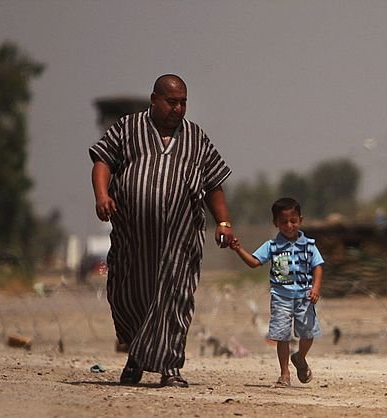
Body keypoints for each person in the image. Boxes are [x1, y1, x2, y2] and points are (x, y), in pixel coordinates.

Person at [89, 74, 234, 387]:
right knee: (128, 296)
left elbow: (213, 184)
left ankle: (170, 368)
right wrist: (102, 195)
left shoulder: (196, 138)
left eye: (183, 102)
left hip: (180, 241)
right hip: (132, 240)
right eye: (172, 102)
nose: (178, 108)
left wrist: (223, 222)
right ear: (154, 99)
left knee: (174, 298)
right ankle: (136, 357)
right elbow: (102, 160)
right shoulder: (128, 129)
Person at [230, 197, 324, 387]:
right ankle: (284, 374)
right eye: (283, 222)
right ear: (276, 223)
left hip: (305, 297)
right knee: (282, 336)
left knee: (308, 334)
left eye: (293, 221)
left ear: (301, 220)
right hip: (281, 297)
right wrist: (238, 249)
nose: (289, 226)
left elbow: (318, 266)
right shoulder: (272, 246)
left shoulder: (309, 245)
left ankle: (300, 357)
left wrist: (315, 288)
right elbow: (255, 262)